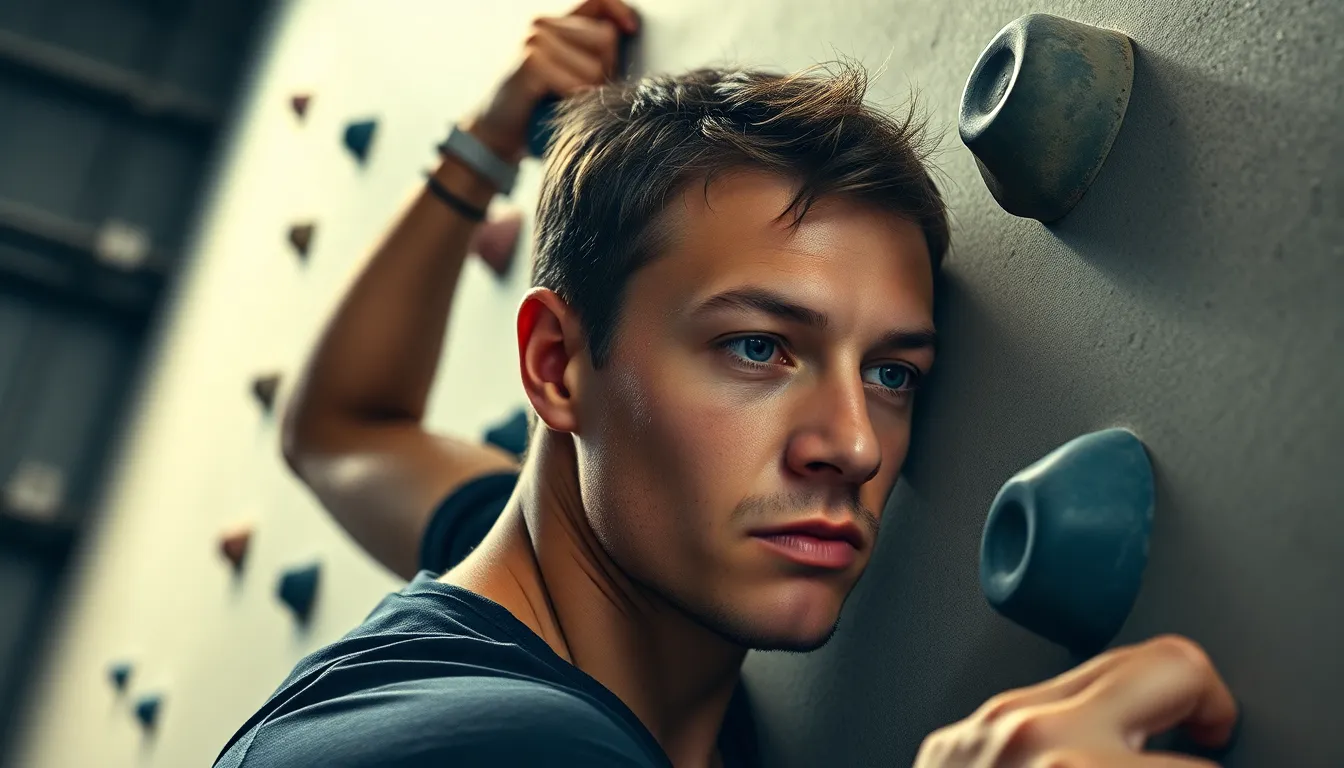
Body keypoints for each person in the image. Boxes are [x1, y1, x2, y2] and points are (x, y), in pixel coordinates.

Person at [219, 1, 1239, 765]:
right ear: (555, 367)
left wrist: (484, 143)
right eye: (759, 348)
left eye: (892, 372)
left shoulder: (541, 549)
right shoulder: (483, 745)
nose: (854, 443)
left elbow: (341, 430)